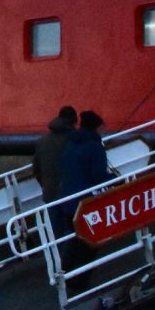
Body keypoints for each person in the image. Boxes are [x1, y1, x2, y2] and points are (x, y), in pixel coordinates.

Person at [56, 111, 111, 275]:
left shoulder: (72, 144)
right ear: (97, 127)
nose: (104, 130)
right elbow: (98, 175)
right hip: (83, 201)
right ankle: (79, 278)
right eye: (102, 127)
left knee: (73, 238)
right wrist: (114, 178)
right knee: (90, 240)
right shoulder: (95, 147)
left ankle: (66, 273)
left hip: (66, 198)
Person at [32, 106, 77, 204]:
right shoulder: (75, 139)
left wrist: (47, 185)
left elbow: (36, 169)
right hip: (73, 195)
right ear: (74, 120)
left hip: (50, 195)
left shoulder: (42, 141)